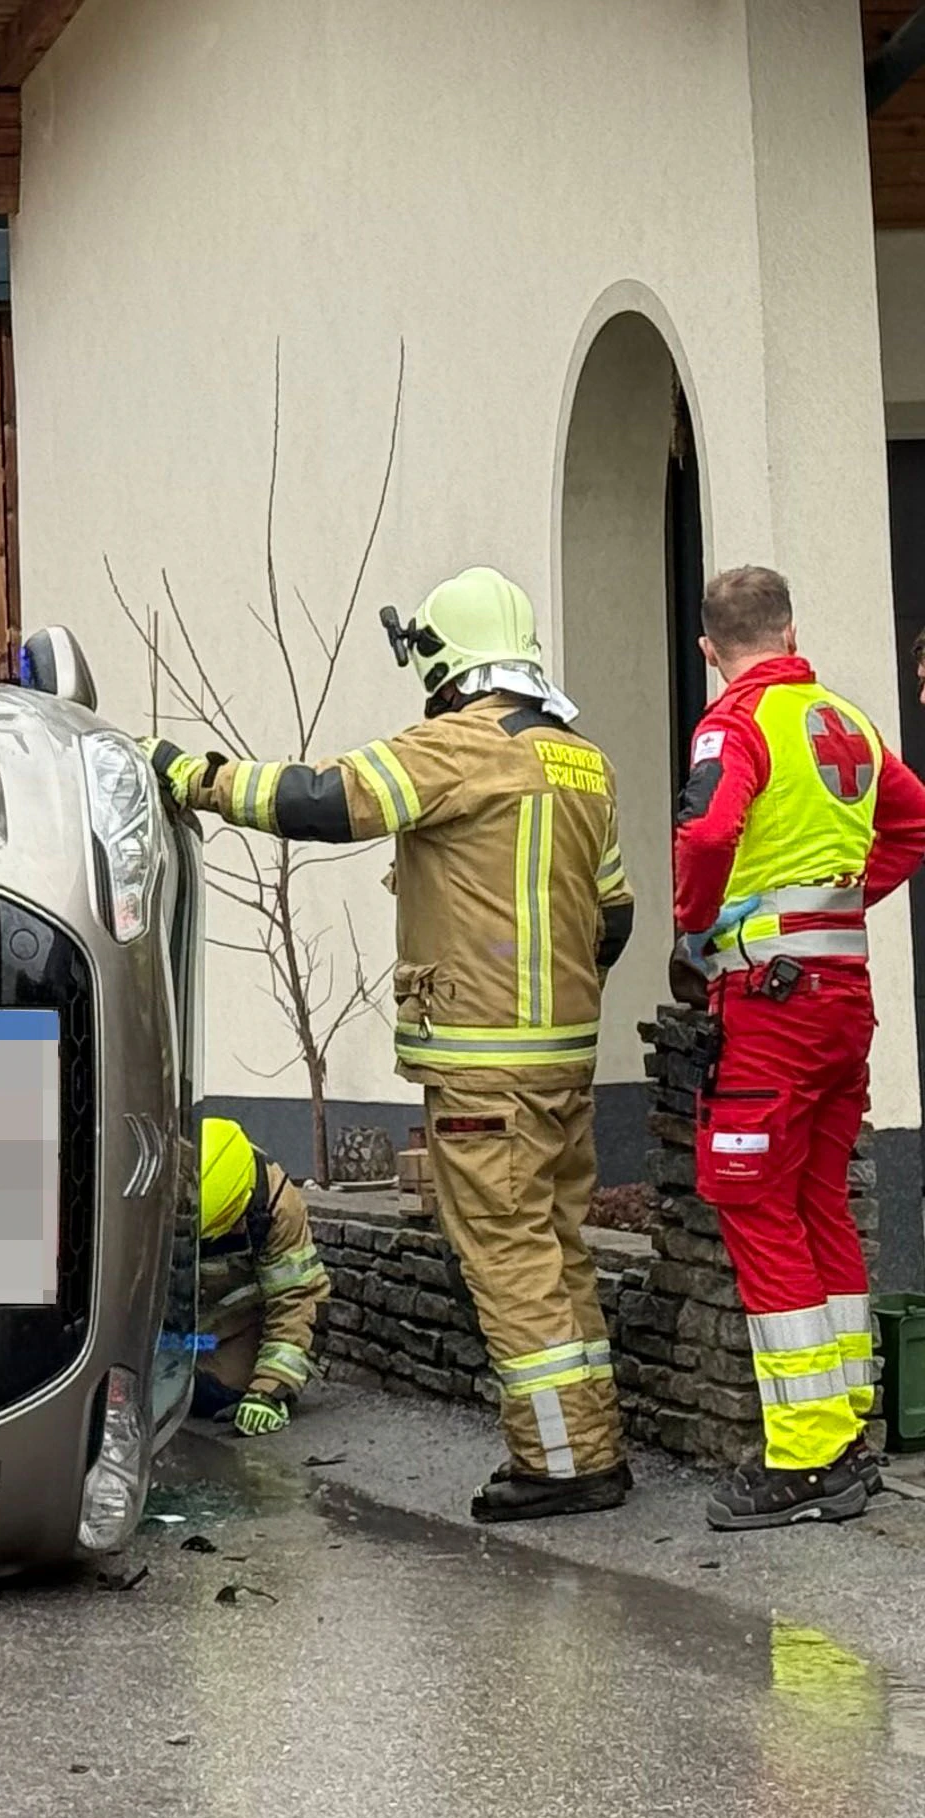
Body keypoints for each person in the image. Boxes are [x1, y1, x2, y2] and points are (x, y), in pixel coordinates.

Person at [145, 565, 636, 1522]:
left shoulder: (460, 746)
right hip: (565, 1064)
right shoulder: (585, 762)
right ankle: (592, 1446)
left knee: (509, 1261)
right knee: (558, 1252)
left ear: (445, 660)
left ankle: (563, 1465)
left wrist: (191, 777)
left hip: (485, 1067)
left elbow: (323, 800)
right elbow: (611, 918)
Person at [671, 565, 925, 1530]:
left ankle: (809, 1457)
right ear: (789, 631)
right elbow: (911, 821)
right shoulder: (843, 720)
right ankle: (847, 1427)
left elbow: (706, 836)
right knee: (819, 1198)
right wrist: (841, 902)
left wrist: (697, 929)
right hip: (842, 1001)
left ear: (710, 649)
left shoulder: (734, 723)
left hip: (768, 1004)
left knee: (754, 1200)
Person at [190, 1118, 329, 1436]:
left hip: (227, 1330)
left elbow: (299, 1298)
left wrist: (269, 1391)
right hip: (171, 1332)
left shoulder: (276, 1208)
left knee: (216, 1394)